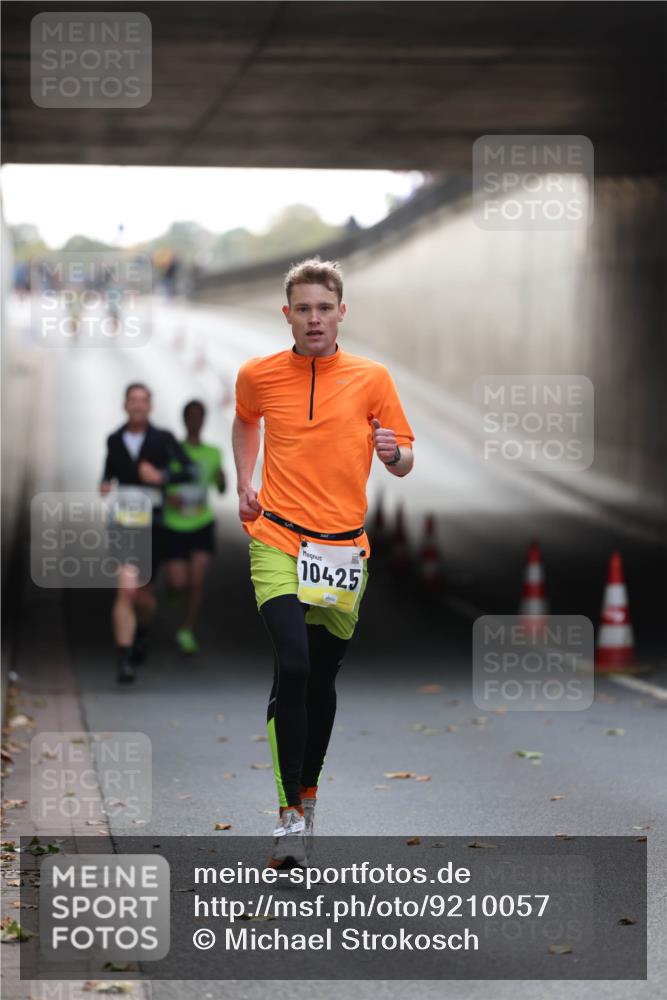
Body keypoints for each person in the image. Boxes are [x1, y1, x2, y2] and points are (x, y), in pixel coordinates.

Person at [232, 258, 414, 865]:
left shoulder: (372, 378)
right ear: (287, 314)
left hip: (342, 550)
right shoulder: (258, 375)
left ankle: (308, 792)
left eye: (324, 308)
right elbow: (244, 421)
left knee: (321, 678)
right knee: (294, 663)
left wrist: (393, 454)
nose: (314, 319)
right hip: (277, 537)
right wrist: (242, 483)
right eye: (303, 309)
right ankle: (286, 816)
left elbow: (404, 455)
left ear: (342, 312)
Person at [100, 383, 197, 684]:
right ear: (125, 404)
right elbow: (108, 473)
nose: (138, 405)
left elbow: (190, 471)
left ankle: (141, 632)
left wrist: (162, 477)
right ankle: (124, 658)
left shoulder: (163, 439)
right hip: (122, 523)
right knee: (126, 589)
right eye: (133, 400)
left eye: (143, 400)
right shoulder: (114, 440)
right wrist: (104, 484)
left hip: (152, 523)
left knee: (144, 596)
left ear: (150, 405)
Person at [163, 400, 225, 654]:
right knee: (179, 582)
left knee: (196, 581)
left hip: (201, 523)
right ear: (184, 419)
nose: (195, 420)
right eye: (191, 415)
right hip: (175, 523)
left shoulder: (213, 452)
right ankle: (173, 590)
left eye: (200, 416)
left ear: (204, 420)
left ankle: (186, 629)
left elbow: (220, 489)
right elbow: (159, 481)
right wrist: (168, 496)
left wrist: (222, 480)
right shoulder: (172, 451)